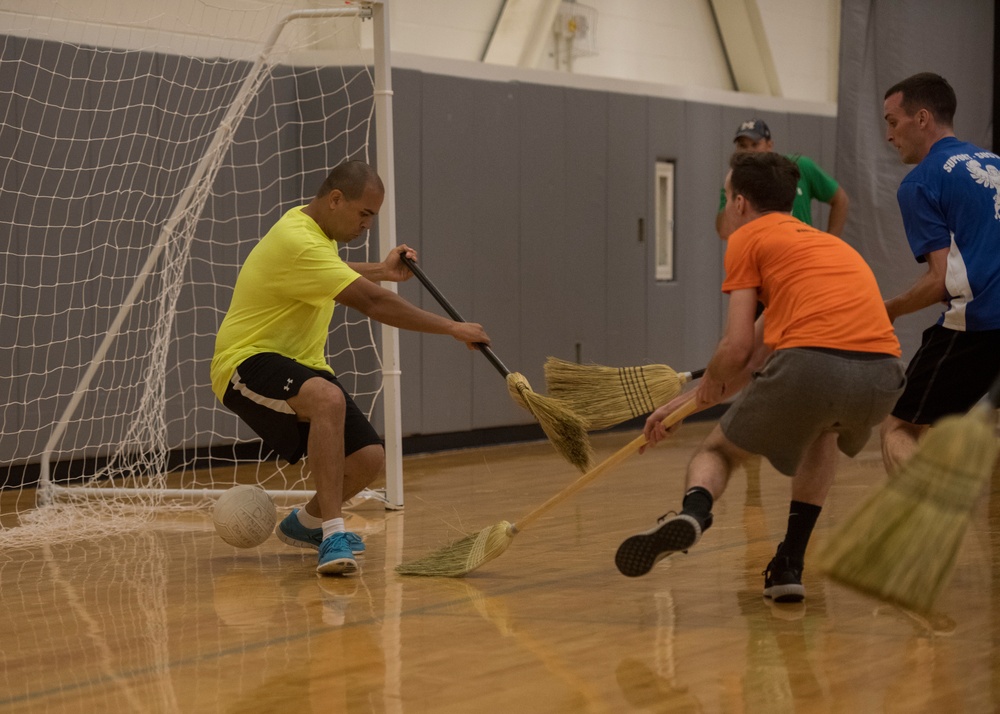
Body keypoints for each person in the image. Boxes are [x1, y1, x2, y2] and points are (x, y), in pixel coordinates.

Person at [615, 152, 904, 602]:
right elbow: (755, 356)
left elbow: (735, 349)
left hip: (813, 368)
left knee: (718, 451)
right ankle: (788, 564)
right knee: (822, 433)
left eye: (727, 195)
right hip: (883, 377)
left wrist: (709, 388)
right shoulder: (826, 247)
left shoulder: (746, 240)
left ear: (740, 203)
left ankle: (694, 512)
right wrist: (684, 403)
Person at [210, 160, 490, 577]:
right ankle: (332, 532)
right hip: (246, 361)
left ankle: (304, 524)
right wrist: (452, 327)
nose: (368, 226)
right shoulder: (298, 239)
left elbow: (334, 273)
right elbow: (373, 303)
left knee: (367, 458)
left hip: (299, 362)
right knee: (327, 397)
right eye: (365, 214)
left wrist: (382, 270)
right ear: (336, 199)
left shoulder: (312, 233)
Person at [880, 72, 1000, 474]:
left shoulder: (920, 182)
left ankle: (925, 530)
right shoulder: (995, 163)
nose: (889, 136)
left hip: (980, 326)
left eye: (892, 122)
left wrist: (890, 310)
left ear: (923, 118)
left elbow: (938, 280)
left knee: (900, 427)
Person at [715, 119, 849, 239]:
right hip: (760, 257)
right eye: (743, 146)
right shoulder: (734, 182)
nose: (749, 151)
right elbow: (725, 232)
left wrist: (830, 240)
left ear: (769, 145)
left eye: (755, 144)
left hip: (799, 254)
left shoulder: (798, 166)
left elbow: (840, 199)